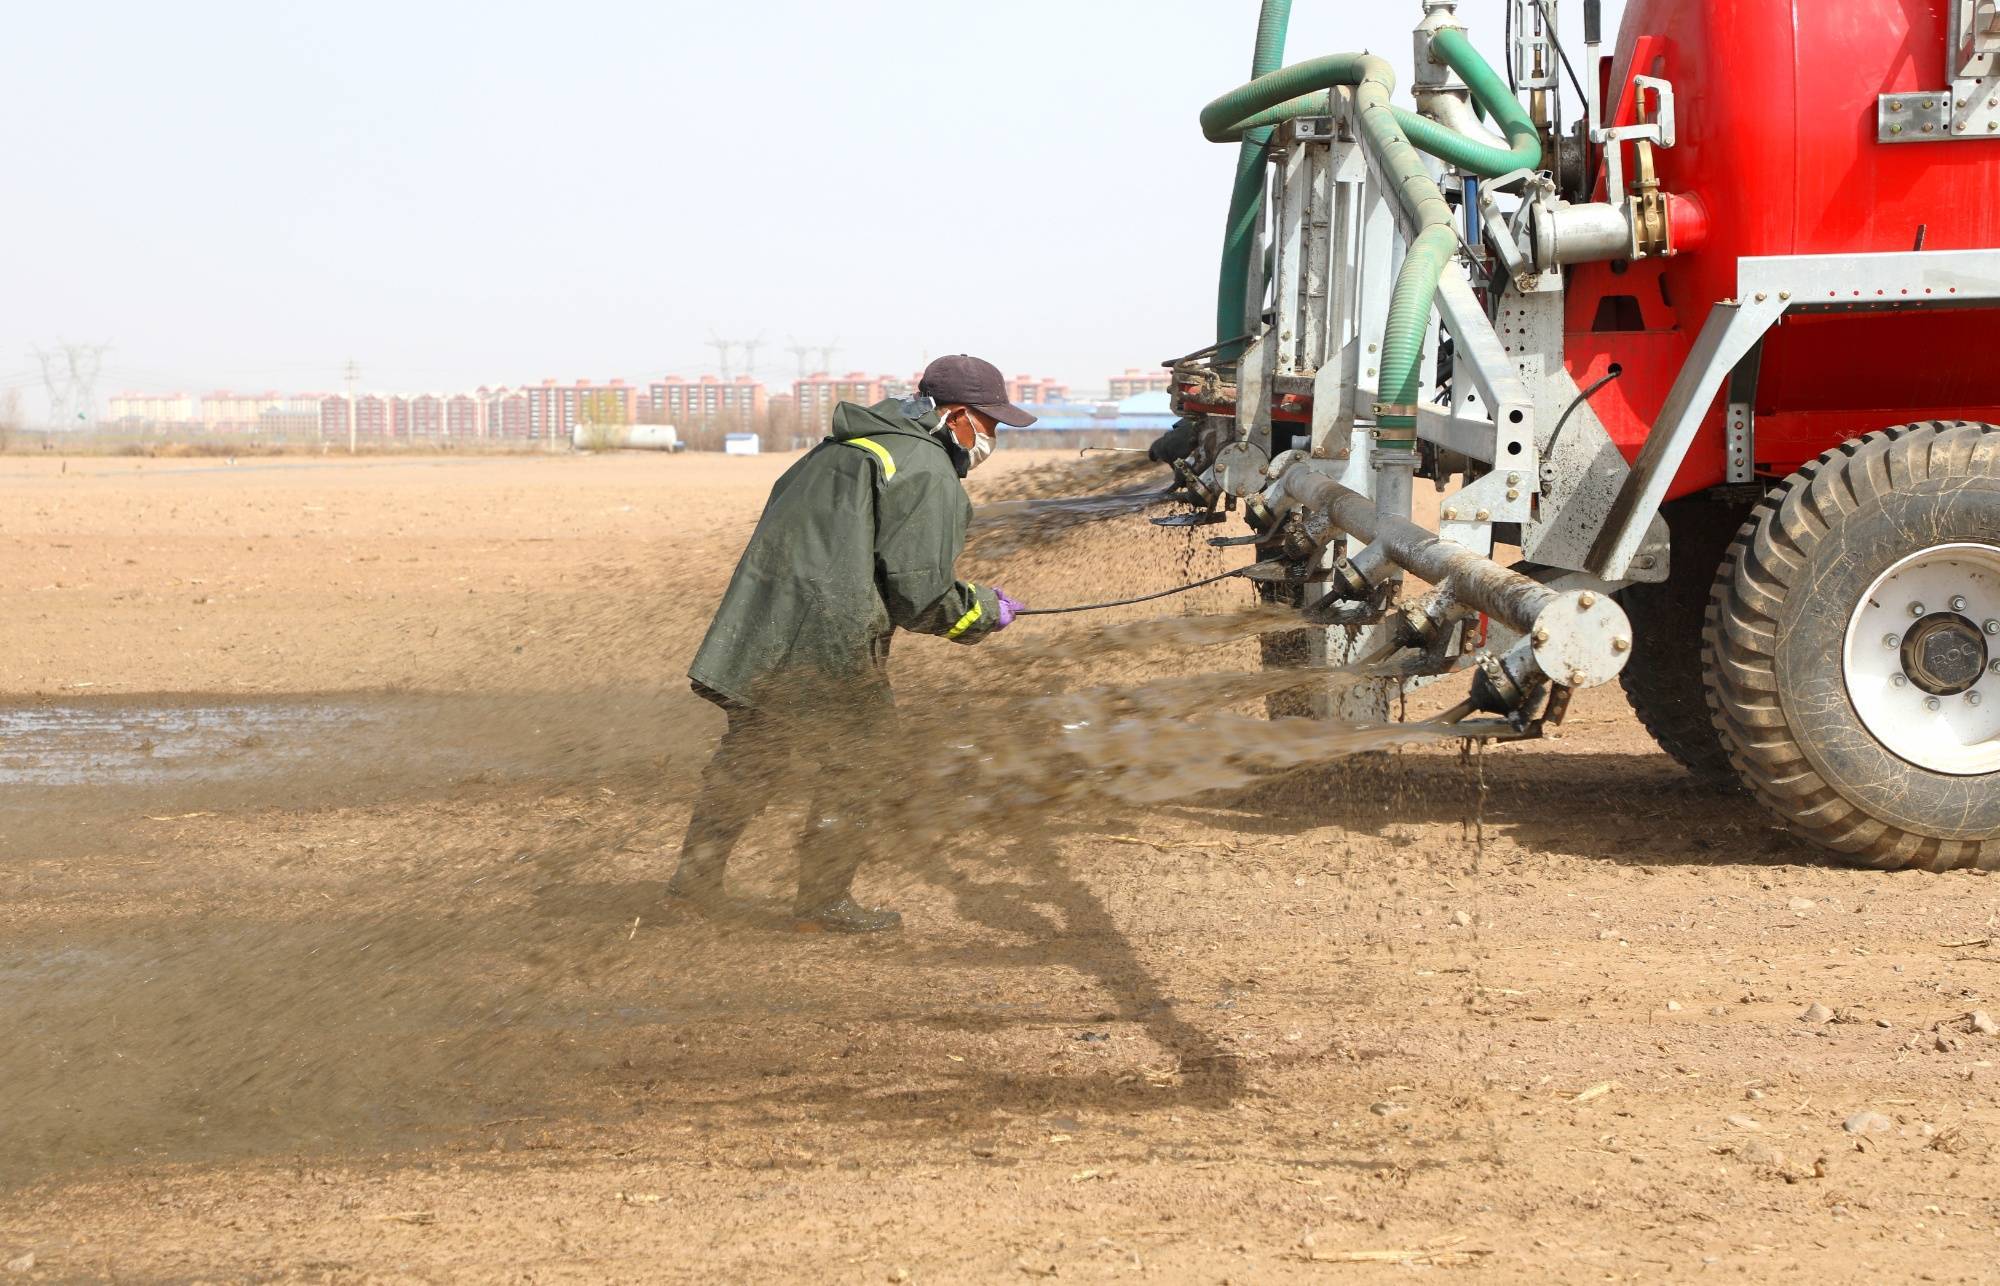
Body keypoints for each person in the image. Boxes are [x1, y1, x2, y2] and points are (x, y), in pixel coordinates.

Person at [670, 354, 1036, 933]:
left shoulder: (847, 445)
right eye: (991, 424)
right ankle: (821, 906)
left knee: (751, 761)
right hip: (825, 645)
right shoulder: (925, 468)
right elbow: (920, 592)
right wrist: (983, 611)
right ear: (959, 416)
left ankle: (692, 889)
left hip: (760, 628)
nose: (993, 437)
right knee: (863, 765)